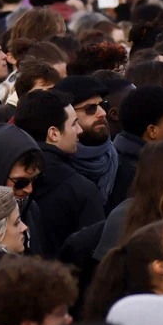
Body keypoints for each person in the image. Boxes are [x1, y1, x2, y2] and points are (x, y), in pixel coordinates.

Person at [14, 90, 104, 259]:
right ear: (54, 133)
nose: (79, 131)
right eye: (73, 124)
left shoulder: (4, 178)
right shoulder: (81, 189)